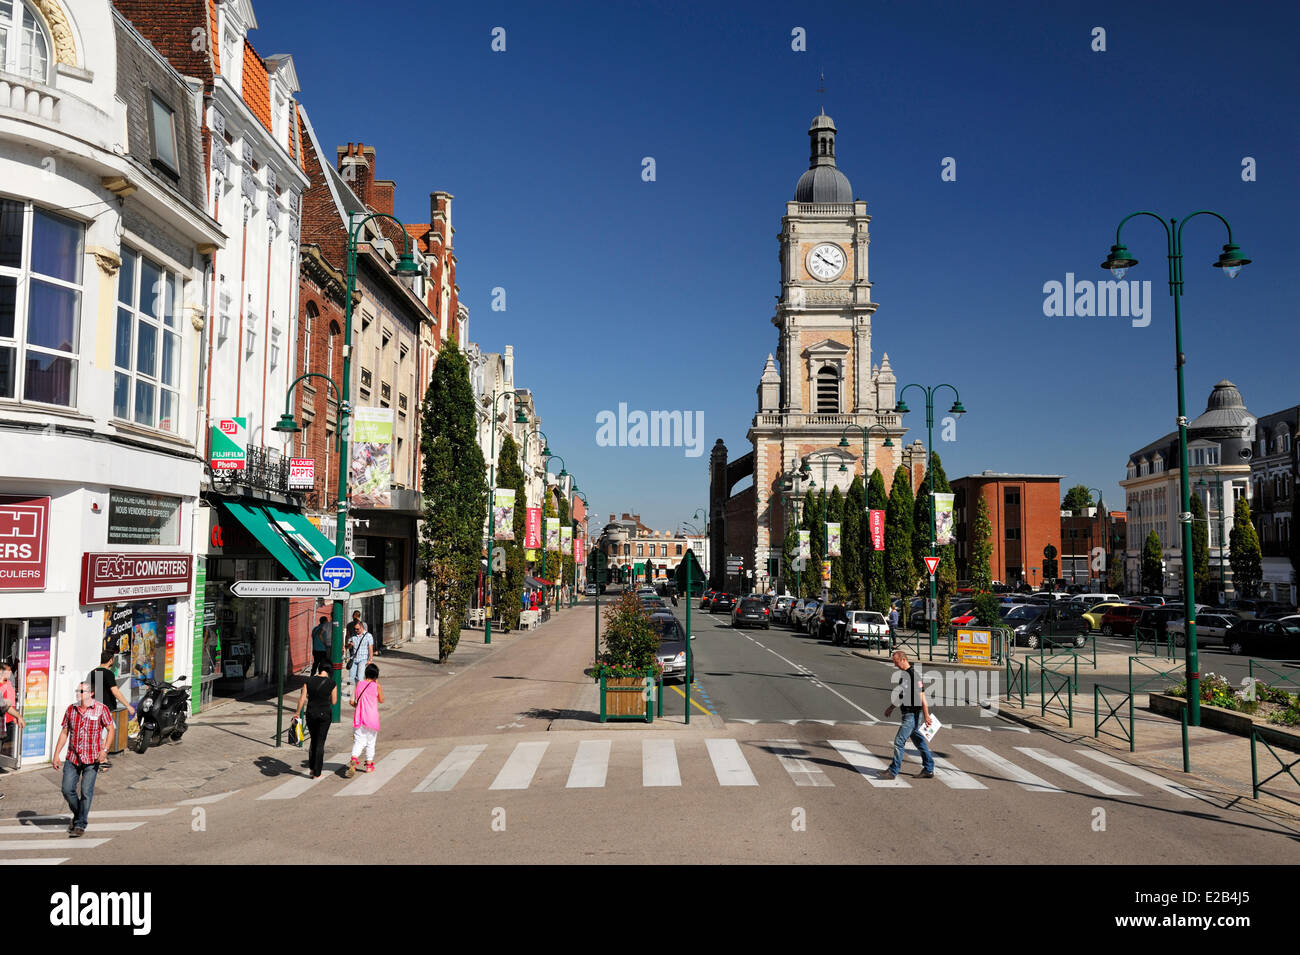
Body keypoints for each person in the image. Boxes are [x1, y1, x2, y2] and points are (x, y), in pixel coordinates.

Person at [51, 682, 115, 837]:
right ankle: (80, 814)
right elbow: (65, 732)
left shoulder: (101, 709)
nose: (78, 693)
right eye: (77, 690)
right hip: (73, 757)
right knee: (67, 790)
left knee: (86, 792)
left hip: (92, 759)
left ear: (91, 693)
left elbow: (111, 729)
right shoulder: (71, 709)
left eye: (81, 691)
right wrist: (56, 754)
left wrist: (105, 750)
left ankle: (80, 824)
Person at [881, 650, 935, 780]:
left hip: (912, 714)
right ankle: (928, 769)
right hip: (907, 713)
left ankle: (893, 771)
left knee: (899, 741)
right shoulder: (904, 676)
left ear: (903, 659)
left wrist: (927, 716)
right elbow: (902, 695)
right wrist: (891, 707)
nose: (895, 665)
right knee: (920, 742)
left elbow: (922, 697)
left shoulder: (914, 676)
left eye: (896, 662)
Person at [86, 651, 135, 771]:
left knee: (105, 731)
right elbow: (115, 691)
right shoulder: (108, 673)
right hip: (103, 708)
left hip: (94, 707)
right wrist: (128, 706)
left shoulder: (92, 673)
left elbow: (89, 691)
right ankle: (101, 760)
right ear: (111, 660)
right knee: (107, 731)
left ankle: (101, 758)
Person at [293, 660, 338, 779]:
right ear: (329, 670)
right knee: (320, 742)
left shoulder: (308, 681)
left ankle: (312, 768)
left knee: (313, 740)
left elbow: (302, 699)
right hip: (325, 715)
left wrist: (297, 713)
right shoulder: (332, 683)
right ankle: (317, 772)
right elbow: (334, 702)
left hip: (311, 713)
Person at [345, 662, 384, 777]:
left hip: (359, 718)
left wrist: (359, 707)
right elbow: (381, 700)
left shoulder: (359, 685)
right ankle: (369, 765)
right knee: (370, 742)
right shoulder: (376, 686)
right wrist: (378, 686)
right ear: (376, 676)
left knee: (359, 741)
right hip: (372, 718)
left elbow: (352, 702)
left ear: (365, 673)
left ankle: (354, 758)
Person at [0, 659, 27, 801]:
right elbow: (5, 705)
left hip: (4, 723)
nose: (10, 674)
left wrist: (17, 716)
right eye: (8, 672)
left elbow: (7, 704)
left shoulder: (7, 683)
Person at [346, 620, 373, 692]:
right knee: (351, 677)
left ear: (362, 627)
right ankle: (351, 692)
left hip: (363, 659)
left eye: (357, 629)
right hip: (354, 658)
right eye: (355, 629)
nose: (356, 630)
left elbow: (370, 648)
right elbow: (347, 647)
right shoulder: (353, 636)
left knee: (360, 677)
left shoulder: (368, 636)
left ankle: (360, 692)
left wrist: (370, 659)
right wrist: (349, 645)